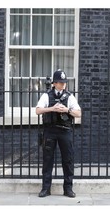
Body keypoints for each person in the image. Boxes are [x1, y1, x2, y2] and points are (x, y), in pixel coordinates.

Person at [36, 69, 81, 198]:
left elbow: (78, 113)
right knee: (47, 160)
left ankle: (68, 189)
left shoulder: (70, 97)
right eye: (60, 82)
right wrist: (52, 108)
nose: (63, 85)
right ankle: (46, 189)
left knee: (68, 160)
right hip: (50, 131)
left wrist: (67, 109)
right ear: (54, 83)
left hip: (65, 131)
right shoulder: (46, 95)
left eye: (64, 82)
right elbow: (38, 111)